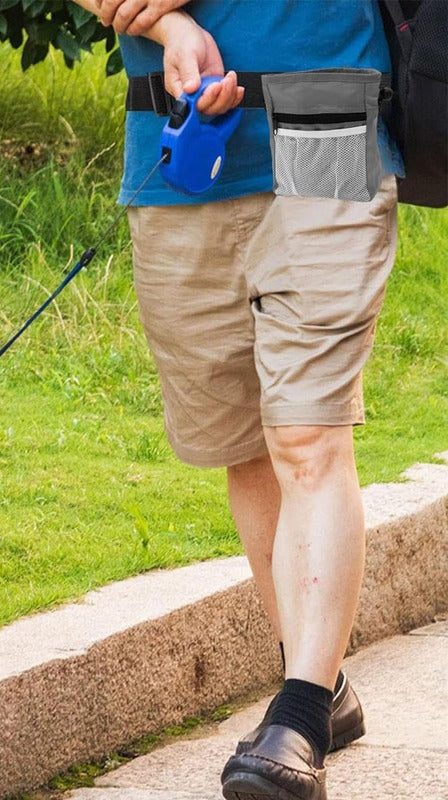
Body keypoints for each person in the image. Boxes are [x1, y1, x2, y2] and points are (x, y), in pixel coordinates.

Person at [71, 1, 401, 799]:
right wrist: (159, 23)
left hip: (325, 114)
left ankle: (298, 714)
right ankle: (323, 685)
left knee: (306, 435)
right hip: (179, 139)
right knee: (245, 441)